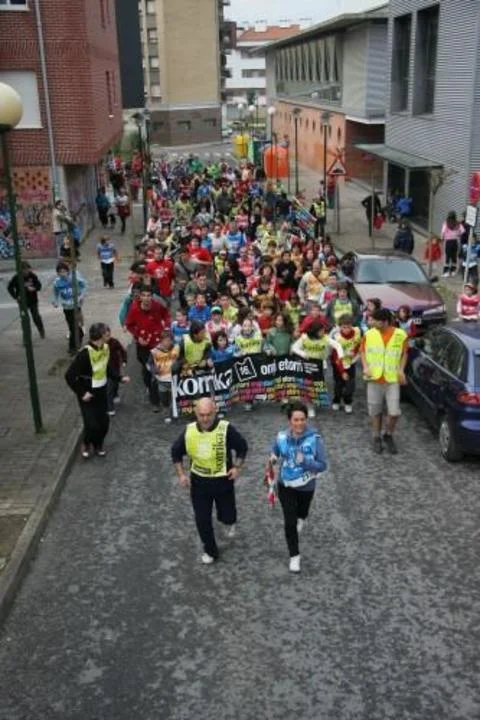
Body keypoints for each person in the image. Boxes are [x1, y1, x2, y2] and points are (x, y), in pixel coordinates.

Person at [171, 397, 248, 564]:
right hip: (199, 483)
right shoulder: (189, 431)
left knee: (228, 516)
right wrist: (181, 474)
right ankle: (210, 550)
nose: (205, 419)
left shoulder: (226, 429)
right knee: (202, 519)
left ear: (215, 412)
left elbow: (242, 447)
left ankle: (228, 520)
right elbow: (175, 453)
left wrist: (237, 467)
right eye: (201, 415)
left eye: (208, 414)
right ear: (195, 413)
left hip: (223, 481)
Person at [270, 402, 328, 573]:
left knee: (302, 512)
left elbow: (322, 465)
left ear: (306, 420)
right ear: (290, 421)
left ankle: (302, 517)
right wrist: (273, 458)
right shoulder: (281, 436)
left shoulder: (315, 439)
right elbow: (275, 450)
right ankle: (294, 556)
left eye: (302, 419)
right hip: (286, 484)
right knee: (290, 521)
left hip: (306, 486)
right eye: (296, 420)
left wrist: (305, 462)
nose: (299, 423)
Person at [65, 322, 130, 458]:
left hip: (101, 391)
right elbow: (69, 376)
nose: (109, 334)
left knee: (104, 423)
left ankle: (98, 445)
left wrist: (119, 378)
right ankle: (87, 443)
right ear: (100, 335)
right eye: (106, 332)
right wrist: (82, 393)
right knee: (91, 424)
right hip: (88, 393)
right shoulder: (85, 354)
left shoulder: (105, 348)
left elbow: (106, 368)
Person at [360, 308, 408, 455]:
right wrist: (365, 367)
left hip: (392, 379)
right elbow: (362, 351)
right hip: (374, 378)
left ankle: (388, 434)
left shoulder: (401, 335)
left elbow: (404, 353)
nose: (372, 322)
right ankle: (376, 437)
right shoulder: (369, 334)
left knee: (394, 412)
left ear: (385, 322)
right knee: (375, 411)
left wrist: (401, 370)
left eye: (376, 321)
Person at [125, 285, 170, 389]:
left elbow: (166, 314)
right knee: (147, 368)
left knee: (160, 365)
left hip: (157, 343)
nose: (146, 298)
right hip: (144, 345)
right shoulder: (134, 309)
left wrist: (166, 328)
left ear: (152, 296)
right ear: (140, 296)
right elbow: (129, 325)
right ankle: (149, 387)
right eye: (144, 295)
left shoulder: (157, 305)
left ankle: (161, 386)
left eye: (149, 295)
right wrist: (138, 337)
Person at [52, 261, 87, 354]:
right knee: (72, 326)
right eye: (60, 272)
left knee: (74, 327)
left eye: (64, 271)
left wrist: (81, 296)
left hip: (75, 305)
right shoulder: (57, 282)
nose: (63, 274)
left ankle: (73, 347)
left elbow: (84, 286)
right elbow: (55, 293)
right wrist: (55, 301)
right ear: (58, 273)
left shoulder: (74, 278)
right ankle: (75, 344)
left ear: (68, 271)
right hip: (66, 307)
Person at [330, 314, 361, 413]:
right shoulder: (337, 337)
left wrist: (354, 352)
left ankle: (348, 402)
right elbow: (336, 357)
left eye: (348, 327)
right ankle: (336, 400)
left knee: (350, 385)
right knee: (338, 384)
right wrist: (342, 371)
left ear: (352, 325)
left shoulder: (357, 332)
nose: (346, 329)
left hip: (351, 362)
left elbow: (358, 344)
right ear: (340, 327)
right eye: (344, 327)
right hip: (338, 364)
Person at [7, 261, 45, 339]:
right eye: (24, 270)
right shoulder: (17, 277)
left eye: (27, 269)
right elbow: (10, 287)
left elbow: (39, 286)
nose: (26, 271)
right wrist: (16, 297)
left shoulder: (32, 276)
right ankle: (27, 336)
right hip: (22, 301)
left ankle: (41, 330)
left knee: (36, 317)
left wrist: (34, 288)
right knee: (25, 318)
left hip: (33, 300)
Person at [148, 330, 178, 420]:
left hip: (174, 379)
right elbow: (149, 364)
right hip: (162, 380)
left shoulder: (176, 348)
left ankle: (174, 412)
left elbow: (181, 359)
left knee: (175, 397)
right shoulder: (155, 351)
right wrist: (154, 370)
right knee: (164, 398)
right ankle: (166, 411)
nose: (169, 342)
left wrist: (178, 365)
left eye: (170, 340)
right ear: (161, 340)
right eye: (166, 340)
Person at [104, 325, 128, 415]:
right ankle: (110, 407)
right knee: (109, 387)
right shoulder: (99, 344)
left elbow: (122, 350)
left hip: (115, 366)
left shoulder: (114, 342)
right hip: (105, 368)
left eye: (108, 335)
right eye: (105, 336)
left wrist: (124, 360)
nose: (107, 338)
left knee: (115, 383)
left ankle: (115, 393)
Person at [441, 211, 464, 277]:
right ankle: (453, 271)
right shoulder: (458, 223)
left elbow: (443, 232)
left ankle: (446, 272)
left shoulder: (446, 223)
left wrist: (442, 238)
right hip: (455, 241)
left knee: (447, 257)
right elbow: (463, 231)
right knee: (454, 256)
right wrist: (458, 234)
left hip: (448, 241)